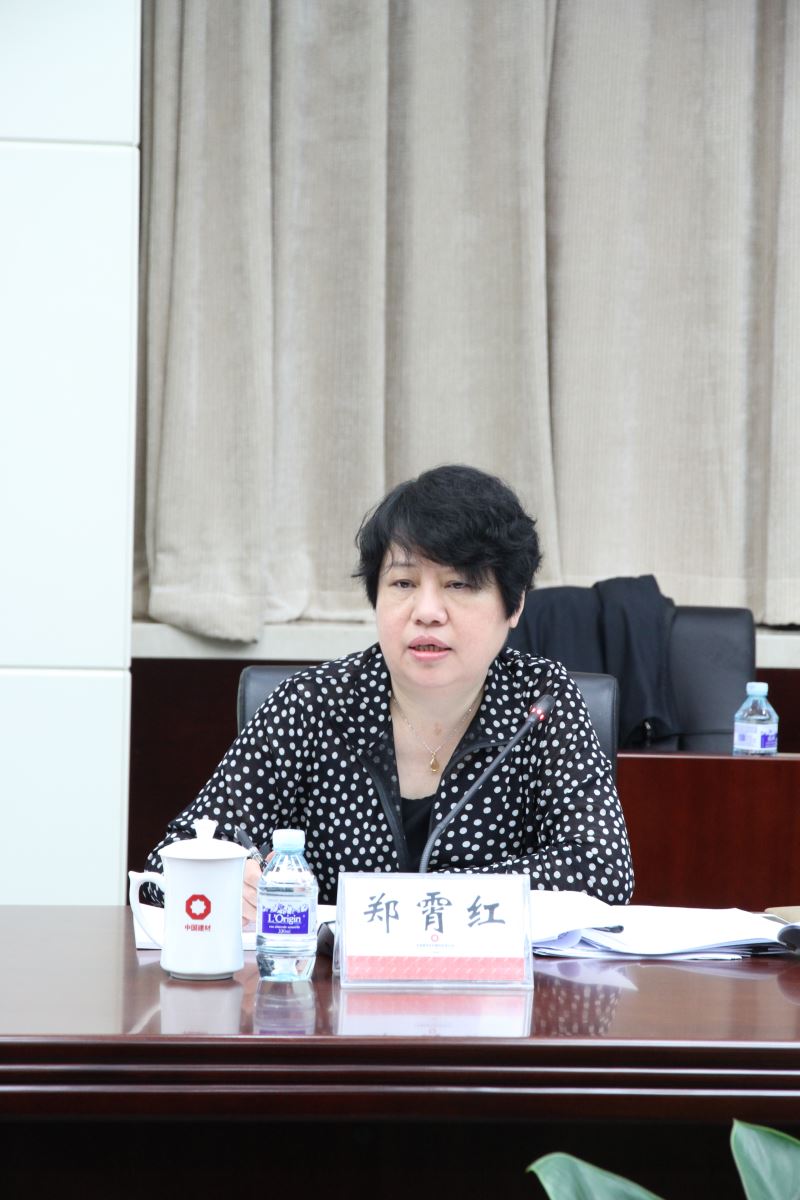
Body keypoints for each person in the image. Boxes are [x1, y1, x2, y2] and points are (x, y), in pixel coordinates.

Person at [145, 464, 634, 919]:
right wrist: (224, 881)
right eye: (403, 583)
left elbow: (603, 871)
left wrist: (419, 902)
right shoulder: (313, 705)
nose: (427, 611)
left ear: (514, 605)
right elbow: (166, 869)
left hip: (496, 984)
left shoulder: (540, 703)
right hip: (328, 981)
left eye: (459, 585)